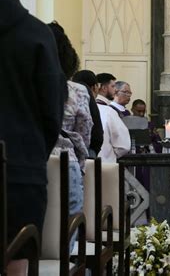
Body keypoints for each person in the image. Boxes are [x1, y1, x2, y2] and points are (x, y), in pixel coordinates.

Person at [0, 0, 66, 273]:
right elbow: (52, 113)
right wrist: (31, 153)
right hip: (20, 171)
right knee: (18, 259)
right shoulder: (37, 35)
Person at [48, 21, 93, 252]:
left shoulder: (22, 85)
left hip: (28, 161)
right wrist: (81, 162)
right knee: (66, 234)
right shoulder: (76, 90)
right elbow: (84, 133)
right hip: (66, 162)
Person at [72, 69, 104, 158]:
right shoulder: (87, 97)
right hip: (87, 149)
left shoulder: (69, 93)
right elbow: (90, 125)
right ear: (94, 87)